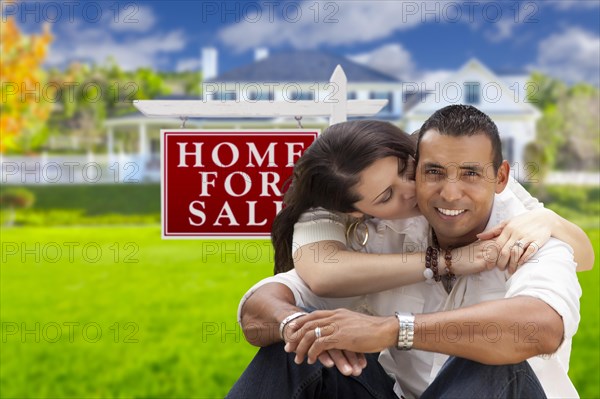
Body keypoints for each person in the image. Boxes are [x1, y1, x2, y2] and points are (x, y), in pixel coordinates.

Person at [229, 106, 584, 398]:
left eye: (471, 174)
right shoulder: (381, 231)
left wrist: (394, 330)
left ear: (501, 177)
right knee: (296, 347)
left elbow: (540, 327)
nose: (449, 193)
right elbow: (262, 308)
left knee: (494, 352)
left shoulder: (527, 232)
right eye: (432, 172)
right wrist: (296, 325)